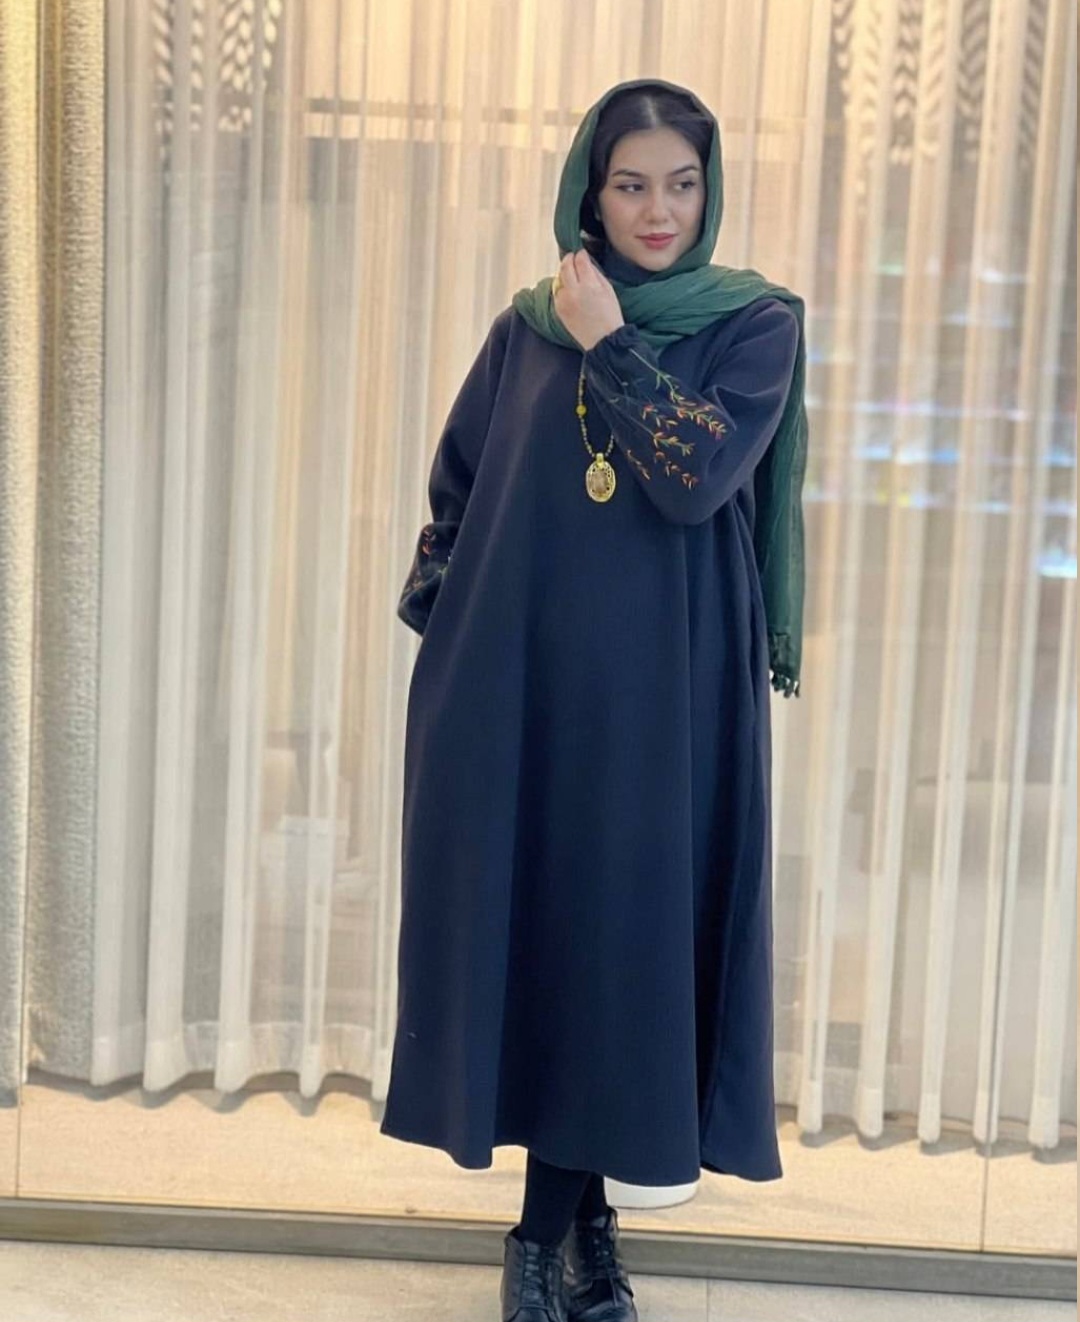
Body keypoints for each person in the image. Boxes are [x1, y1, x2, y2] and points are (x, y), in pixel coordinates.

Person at [379, 76, 808, 1322]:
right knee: (544, 941)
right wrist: (452, 630)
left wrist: (611, 339)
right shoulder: (527, 327)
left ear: (710, 191)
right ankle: (584, 1233)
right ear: (591, 192)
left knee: (624, 948)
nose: (658, 210)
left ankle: (540, 1240)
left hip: (668, 701)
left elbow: (695, 472)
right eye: (631, 184)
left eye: (682, 183)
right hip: (521, 691)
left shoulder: (754, 325)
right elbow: (460, 483)